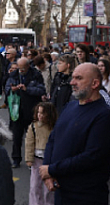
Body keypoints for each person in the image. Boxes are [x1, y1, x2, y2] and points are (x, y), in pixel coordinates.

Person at [40, 63, 110, 204]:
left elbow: (92, 157)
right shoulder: (71, 106)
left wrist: (52, 169)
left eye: (78, 78)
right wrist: (47, 173)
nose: (72, 82)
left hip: (85, 195)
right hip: (60, 190)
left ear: (95, 83)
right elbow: (53, 138)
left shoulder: (103, 115)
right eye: (72, 78)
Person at [5, 57, 45, 168]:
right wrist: (11, 89)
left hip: (31, 109)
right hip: (16, 110)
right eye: (19, 68)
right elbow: (7, 87)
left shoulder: (35, 75)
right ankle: (16, 159)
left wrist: (27, 89)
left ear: (28, 66)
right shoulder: (13, 75)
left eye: (23, 68)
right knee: (16, 136)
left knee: (31, 137)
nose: (21, 70)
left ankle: (31, 159)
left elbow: (41, 90)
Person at [25, 102, 57, 205]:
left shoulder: (54, 127)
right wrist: (29, 159)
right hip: (36, 160)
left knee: (49, 188)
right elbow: (29, 143)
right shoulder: (33, 127)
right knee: (35, 186)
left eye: (43, 113)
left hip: (50, 161)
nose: (40, 115)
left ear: (49, 114)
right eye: (38, 112)